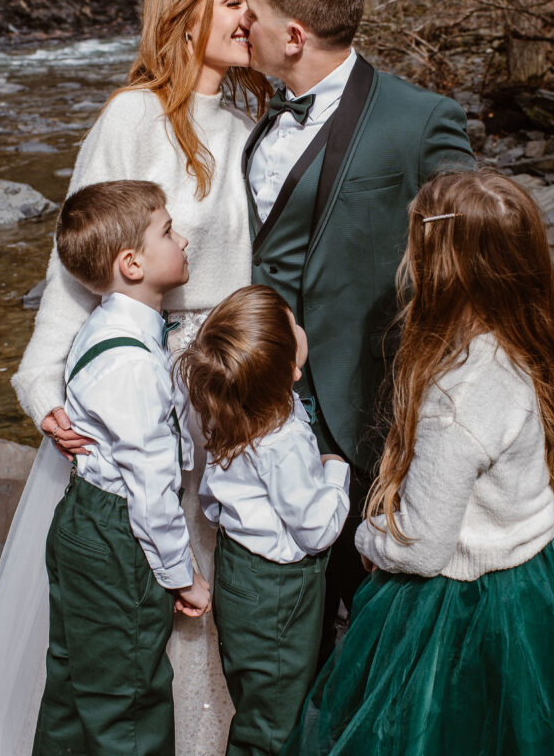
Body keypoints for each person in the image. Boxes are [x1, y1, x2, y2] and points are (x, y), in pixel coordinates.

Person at [0, 0, 270, 756]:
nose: (247, 17)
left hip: (228, 382)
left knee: (211, 565)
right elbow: (77, 257)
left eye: (250, 2)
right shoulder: (132, 116)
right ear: (185, 11)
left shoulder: (249, 118)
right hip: (148, 386)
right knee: (146, 571)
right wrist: (42, 376)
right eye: (231, 2)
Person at [283, 169, 554, 756]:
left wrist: (369, 534)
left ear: (440, 266)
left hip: (464, 610)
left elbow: (424, 548)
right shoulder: (526, 342)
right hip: (538, 577)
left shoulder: (456, 400)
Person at [241, 0, 476, 652]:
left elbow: (469, 264)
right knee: (286, 619)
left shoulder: (420, 118)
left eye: (249, 11)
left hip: (368, 403)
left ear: (292, 34)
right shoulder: (259, 112)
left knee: (381, 617)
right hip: (265, 400)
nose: (238, 25)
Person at [33, 180, 212, 756]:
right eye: (167, 230)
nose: (182, 238)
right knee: (129, 699)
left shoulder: (107, 327)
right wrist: (182, 575)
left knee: (70, 679)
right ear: (131, 263)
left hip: (80, 521)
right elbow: (151, 491)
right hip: (116, 538)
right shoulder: (134, 364)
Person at [177, 284, 350, 756]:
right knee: (273, 724)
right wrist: (336, 475)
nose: (300, 325)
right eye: (294, 324)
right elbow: (317, 530)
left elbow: (212, 501)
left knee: (257, 697)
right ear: (291, 371)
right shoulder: (282, 440)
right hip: (280, 591)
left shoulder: (227, 408)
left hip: (238, 571)